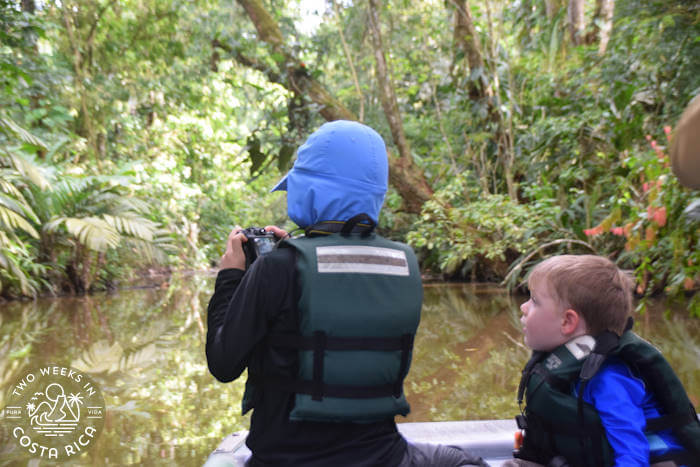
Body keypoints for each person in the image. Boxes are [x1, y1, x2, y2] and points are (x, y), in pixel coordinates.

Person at [206, 120, 487, 466]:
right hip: (383, 458)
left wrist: (231, 276)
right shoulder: (402, 263)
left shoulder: (276, 268)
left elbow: (223, 363)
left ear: (308, 191)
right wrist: (298, 251)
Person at [504, 255, 700, 467]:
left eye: (534, 301)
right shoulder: (570, 369)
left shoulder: (608, 380)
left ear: (568, 321)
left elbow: (633, 455)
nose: (523, 307)